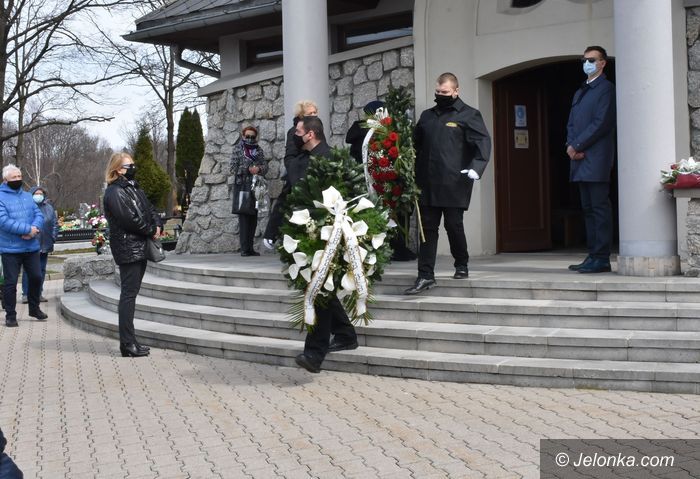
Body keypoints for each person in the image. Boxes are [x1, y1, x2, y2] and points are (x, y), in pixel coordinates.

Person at [267, 116, 358, 373]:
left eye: (297, 132)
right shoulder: (299, 162)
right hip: (303, 233)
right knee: (319, 288)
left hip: (328, 234)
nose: (293, 137)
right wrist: (272, 229)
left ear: (310, 134)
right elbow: (287, 195)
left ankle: (314, 354)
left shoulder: (332, 159)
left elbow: (348, 195)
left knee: (318, 290)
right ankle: (346, 334)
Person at [405, 72, 491, 295]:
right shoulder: (427, 116)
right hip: (427, 183)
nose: (440, 95)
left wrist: (477, 167)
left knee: (453, 225)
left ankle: (461, 263)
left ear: (456, 91)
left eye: (444, 92)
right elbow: (415, 144)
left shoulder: (469, 115)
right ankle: (425, 275)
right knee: (427, 230)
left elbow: (483, 141)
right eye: (437, 92)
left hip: (454, 182)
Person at [103, 152, 162, 357]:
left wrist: (157, 224)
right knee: (128, 295)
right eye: (129, 166)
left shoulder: (133, 187)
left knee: (131, 294)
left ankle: (131, 340)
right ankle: (127, 344)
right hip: (128, 247)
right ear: (118, 170)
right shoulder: (114, 192)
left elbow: (149, 209)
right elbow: (128, 220)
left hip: (139, 246)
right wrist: (150, 230)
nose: (133, 168)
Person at [346, 99, 418, 262]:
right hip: (376, 180)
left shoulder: (363, 132)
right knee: (391, 213)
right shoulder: (372, 134)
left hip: (373, 179)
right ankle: (395, 248)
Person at [566, 46, 616, 274]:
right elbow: (572, 123)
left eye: (592, 60)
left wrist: (577, 146)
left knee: (599, 208)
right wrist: (570, 146)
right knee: (587, 209)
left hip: (595, 157)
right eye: (584, 60)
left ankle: (602, 257)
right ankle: (592, 254)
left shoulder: (606, 89)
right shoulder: (581, 91)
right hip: (578, 158)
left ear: (603, 63)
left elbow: (601, 122)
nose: (587, 63)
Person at [263, 100, 318, 248]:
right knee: (284, 202)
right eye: (310, 113)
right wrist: (295, 173)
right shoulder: (295, 131)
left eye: (315, 112)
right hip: (297, 173)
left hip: (313, 172)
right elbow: (290, 156)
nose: (314, 115)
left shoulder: (316, 130)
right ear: (301, 115)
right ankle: (271, 235)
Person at [0, 164, 47, 327]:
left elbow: (38, 214)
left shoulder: (28, 196)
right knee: (10, 283)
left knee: (36, 277)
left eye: (19, 176)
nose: (18, 179)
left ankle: (34, 308)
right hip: (10, 248)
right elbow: (3, 221)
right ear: (5, 180)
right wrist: (27, 230)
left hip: (31, 246)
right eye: (14, 177)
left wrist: (35, 229)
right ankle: (10, 315)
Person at [230, 125, 267, 256]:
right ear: (243, 136)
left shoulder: (259, 150)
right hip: (242, 186)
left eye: (252, 137)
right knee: (244, 217)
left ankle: (250, 248)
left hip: (256, 187)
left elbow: (265, 166)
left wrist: (259, 169)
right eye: (247, 136)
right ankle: (244, 248)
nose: (250, 139)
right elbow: (232, 168)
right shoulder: (238, 149)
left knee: (253, 217)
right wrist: (247, 169)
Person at [21, 187, 57, 304]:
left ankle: (38, 293)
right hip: (31, 244)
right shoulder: (26, 207)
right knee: (28, 270)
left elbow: (54, 224)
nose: (38, 195)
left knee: (41, 270)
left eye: (40, 193)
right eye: (36, 193)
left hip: (45, 243)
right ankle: (26, 294)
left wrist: (53, 237)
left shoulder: (49, 208)